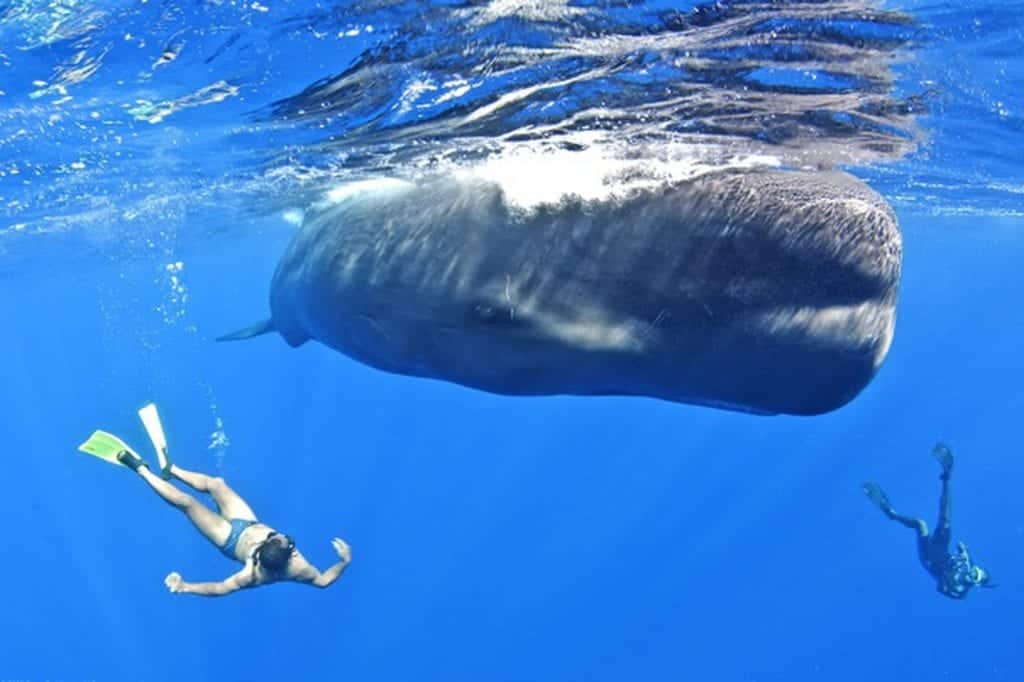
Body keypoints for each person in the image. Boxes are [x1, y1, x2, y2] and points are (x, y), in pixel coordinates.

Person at [78, 406, 351, 597]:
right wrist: (344, 562)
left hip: (229, 540)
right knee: (216, 484)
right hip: (247, 522)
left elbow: (220, 589)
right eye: (278, 538)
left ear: (288, 557)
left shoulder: (256, 575)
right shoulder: (290, 557)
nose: (280, 537)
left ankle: (140, 468)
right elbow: (326, 580)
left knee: (187, 504)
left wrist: (185, 586)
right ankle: (172, 469)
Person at [863, 443, 994, 600]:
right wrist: (963, 552)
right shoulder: (968, 564)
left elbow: (941, 588)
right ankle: (947, 477)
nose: (972, 572)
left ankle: (891, 513)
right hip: (942, 550)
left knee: (920, 524)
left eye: (975, 576)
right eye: (975, 570)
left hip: (930, 559)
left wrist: (952, 577)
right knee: (945, 520)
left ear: (975, 583)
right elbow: (960, 546)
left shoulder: (960, 591)